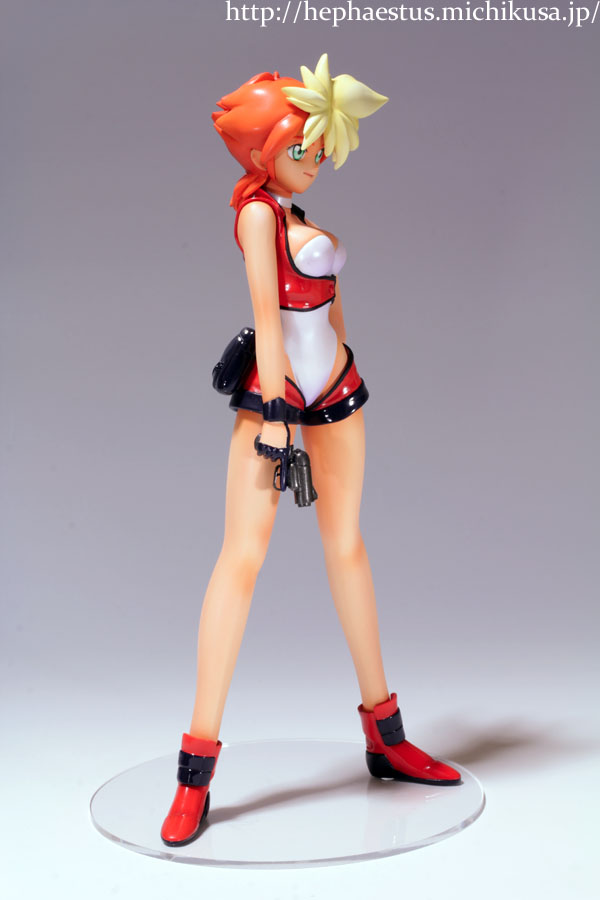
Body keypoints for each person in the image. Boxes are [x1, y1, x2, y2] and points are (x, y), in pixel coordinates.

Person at [161, 54, 460, 848]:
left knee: (348, 548)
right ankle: (195, 768)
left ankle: (386, 736)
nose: (315, 157)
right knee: (241, 560)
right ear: (263, 153)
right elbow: (268, 317)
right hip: (281, 396)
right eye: (300, 146)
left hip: (337, 389)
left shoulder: (296, 213)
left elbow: (331, 310)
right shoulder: (258, 216)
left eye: (319, 144)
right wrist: (276, 414)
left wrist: (341, 368)